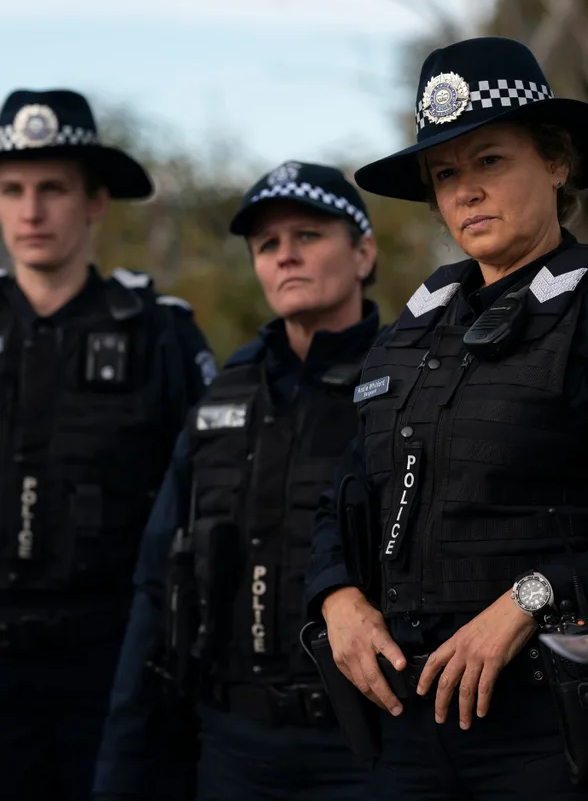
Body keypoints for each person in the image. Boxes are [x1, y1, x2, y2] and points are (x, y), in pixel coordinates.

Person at [305, 36, 588, 800]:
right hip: (413, 730)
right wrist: (336, 597)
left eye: (490, 162)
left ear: (556, 162)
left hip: (563, 730)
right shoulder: (408, 336)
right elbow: (340, 503)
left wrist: (534, 596)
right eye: (446, 174)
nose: (466, 192)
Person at [91, 162, 381, 800]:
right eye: (267, 245)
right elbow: (156, 577)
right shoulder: (224, 391)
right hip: (231, 747)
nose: (286, 257)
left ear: (363, 252)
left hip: (367, 747)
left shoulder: (409, 382)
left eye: (308, 236)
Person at [0, 88, 213, 800]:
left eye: (52, 190)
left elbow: (213, 495)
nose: (31, 212)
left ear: (94, 203)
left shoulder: (160, 335)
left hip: (114, 661)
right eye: (13, 190)